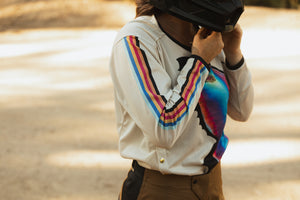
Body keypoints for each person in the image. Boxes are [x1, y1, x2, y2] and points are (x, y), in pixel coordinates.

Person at [109, 0, 254, 199]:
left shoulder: (206, 33)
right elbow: (164, 129)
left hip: (211, 183)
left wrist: (233, 53)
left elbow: (241, 110)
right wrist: (199, 62)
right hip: (163, 188)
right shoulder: (137, 39)